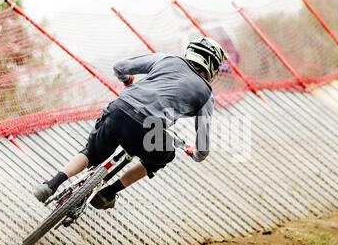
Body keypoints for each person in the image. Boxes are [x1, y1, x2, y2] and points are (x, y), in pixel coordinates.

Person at [33, 37, 227, 210]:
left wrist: (128, 80)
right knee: (165, 155)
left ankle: (51, 184)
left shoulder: (166, 59)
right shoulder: (206, 93)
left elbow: (119, 66)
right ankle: (108, 193)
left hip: (119, 110)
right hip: (147, 129)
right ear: (211, 65)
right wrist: (197, 154)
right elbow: (203, 142)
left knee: (90, 153)